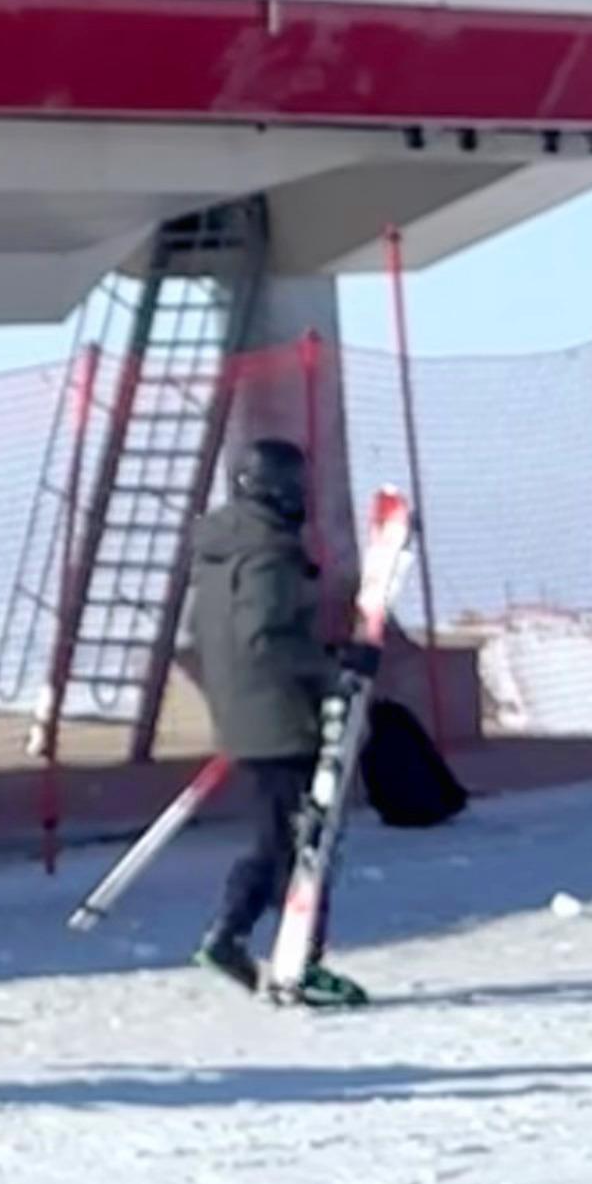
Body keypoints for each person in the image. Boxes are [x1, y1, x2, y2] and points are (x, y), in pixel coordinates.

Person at [180, 428, 371, 1007]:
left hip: (244, 709)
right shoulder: (268, 552)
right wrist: (331, 666)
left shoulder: (222, 549)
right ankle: (294, 960)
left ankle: (232, 937)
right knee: (304, 842)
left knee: (281, 838)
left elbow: (207, 631)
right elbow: (263, 636)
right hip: (278, 716)